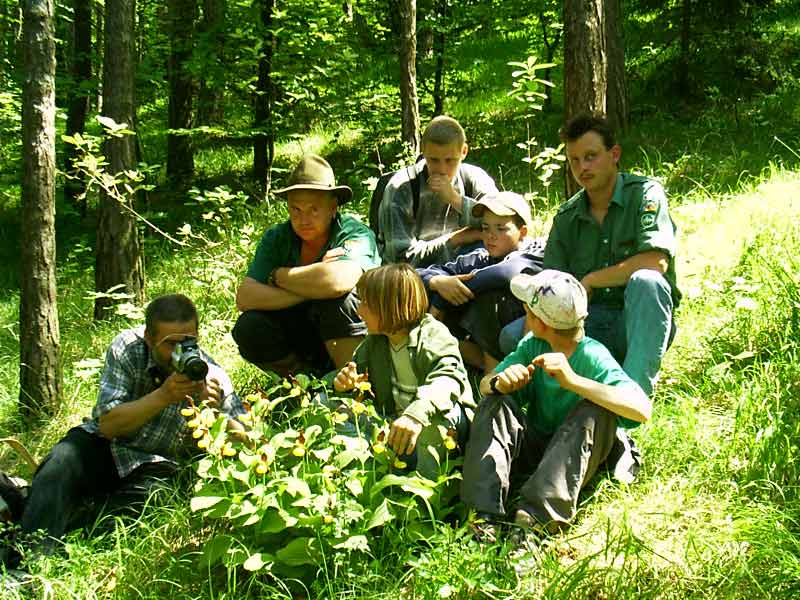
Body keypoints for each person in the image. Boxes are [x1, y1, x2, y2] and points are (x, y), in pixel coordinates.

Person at [9, 294, 244, 561]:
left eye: (188, 342)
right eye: (171, 345)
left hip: (156, 465)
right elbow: (108, 424)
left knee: (147, 504)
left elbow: (249, 442)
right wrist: (163, 396)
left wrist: (213, 413)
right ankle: (24, 558)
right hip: (108, 445)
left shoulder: (211, 374)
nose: (180, 353)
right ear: (149, 337)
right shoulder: (128, 349)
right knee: (61, 461)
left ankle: (46, 527)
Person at [461, 270, 651, 541]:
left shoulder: (593, 356)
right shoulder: (533, 344)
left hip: (575, 455)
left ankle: (532, 524)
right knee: (495, 403)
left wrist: (573, 381)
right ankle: (482, 518)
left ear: (539, 322)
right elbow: (484, 386)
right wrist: (499, 383)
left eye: (527, 311)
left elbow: (642, 410)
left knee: (593, 409)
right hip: (538, 445)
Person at [499, 113, 680, 396]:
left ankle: (632, 398)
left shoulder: (644, 194)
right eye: (574, 160)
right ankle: (553, 390)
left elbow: (655, 262)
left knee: (648, 282)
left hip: (634, 319)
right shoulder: (567, 217)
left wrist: (593, 279)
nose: (583, 167)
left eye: (591, 156)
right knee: (512, 335)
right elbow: (548, 288)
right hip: (585, 324)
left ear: (614, 154)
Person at [233, 154, 381, 376]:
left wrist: (279, 276)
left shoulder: (355, 233)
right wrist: (314, 286)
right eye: (296, 210)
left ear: (333, 207)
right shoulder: (277, 238)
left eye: (313, 209)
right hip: (298, 327)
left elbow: (338, 281)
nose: (304, 219)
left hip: (348, 329)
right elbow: (246, 297)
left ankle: (354, 384)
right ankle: (303, 380)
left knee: (340, 301)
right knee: (249, 326)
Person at [331, 264, 475, 479]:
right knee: (327, 403)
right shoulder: (375, 342)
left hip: (438, 430)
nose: (359, 311)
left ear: (390, 307)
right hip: (396, 427)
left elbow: (448, 379)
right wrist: (343, 385)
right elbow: (352, 377)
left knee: (433, 423)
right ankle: (369, 471)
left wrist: (416, 413)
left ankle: (425, 490)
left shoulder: (433, 334)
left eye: (366, 305)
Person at [417, 191, 545, 373]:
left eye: (501, 229)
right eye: (486, 228)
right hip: (492, 336)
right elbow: (419, 274)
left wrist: (441, 303)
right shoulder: (482, 257)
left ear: (522, 232)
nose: (491, 236)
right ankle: (450, 357)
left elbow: (503, 274)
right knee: (437, 290)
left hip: (531, 332)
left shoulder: (535, 251)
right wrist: (438, 282)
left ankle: (493, 376)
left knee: (488, 297)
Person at [379, 115, 498, 267]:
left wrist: (456, 200)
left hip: (465, 266)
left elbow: (503, 224)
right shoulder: (400, 189)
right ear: (423, 150)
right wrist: (455, 239)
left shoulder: (474, 178)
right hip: (414, 280)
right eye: (434, 160)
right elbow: (400, 260)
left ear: (464, 151)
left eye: (450, 160)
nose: (442, 170)